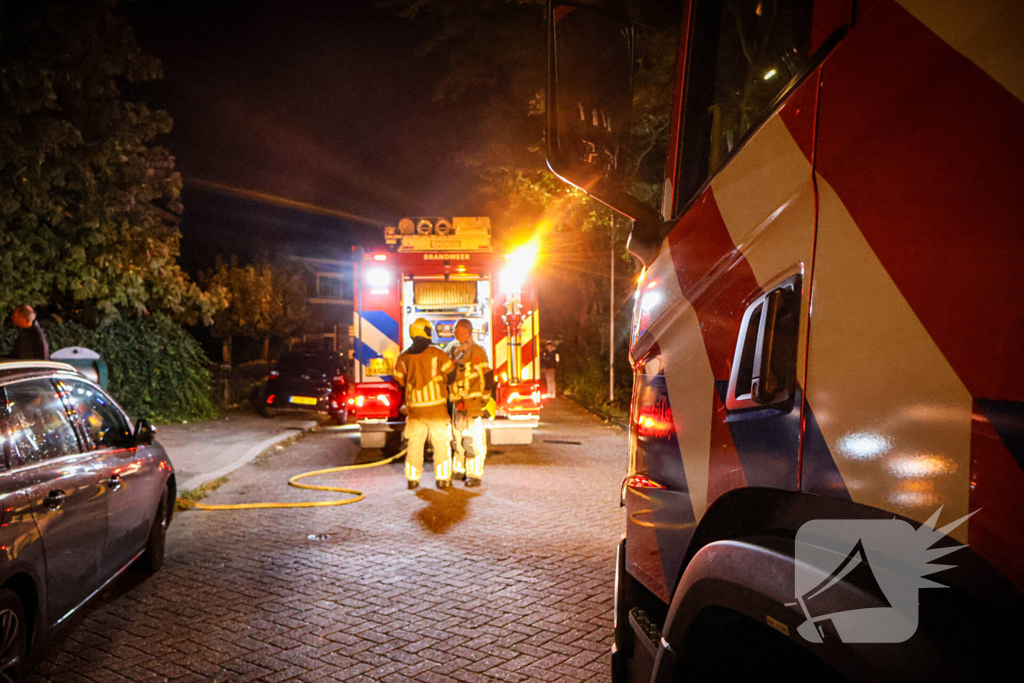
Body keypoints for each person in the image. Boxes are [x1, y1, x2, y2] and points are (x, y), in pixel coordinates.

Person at [394, 318, 457, 490]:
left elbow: (399, 381)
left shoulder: (403, 357)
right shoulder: (437, 353)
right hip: (436, 410)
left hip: (415, 411)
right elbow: (451, 375)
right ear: (426, 332)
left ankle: (413, 480)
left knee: (415, 444)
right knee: (441, 444)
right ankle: (443, 479)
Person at [446, 319, 493, 487]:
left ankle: (474, 474)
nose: (454, 332)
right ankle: (458, 470)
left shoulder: (477, 351)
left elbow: (487, 376)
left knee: (473, 440)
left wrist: (485, 399)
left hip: (472, 403)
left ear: (466, 330)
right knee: (457, 438)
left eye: (456, 329)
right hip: (458, 403)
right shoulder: (455, 350)